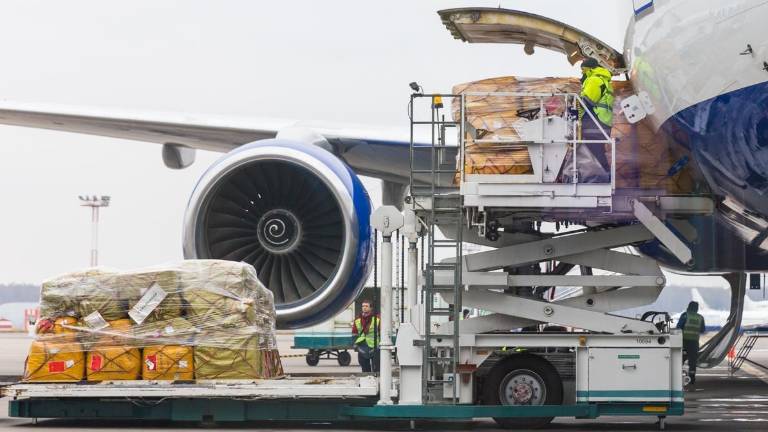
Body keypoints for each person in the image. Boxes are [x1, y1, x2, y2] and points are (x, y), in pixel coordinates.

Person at [578, 57, 614, 173]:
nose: (581, 73)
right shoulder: (604, 80)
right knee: (597, 151)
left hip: (594, 122)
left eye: (583, 70)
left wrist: (574, 106)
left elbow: (588, 101)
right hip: (602, 122)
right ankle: (604, 175)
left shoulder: (593, 80)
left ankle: (603, 176)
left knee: (594, 153)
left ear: (589, 69)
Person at [676, 301, 705, 385]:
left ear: (688, 307)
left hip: (684, 341)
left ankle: (676, 376)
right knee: (693, 361)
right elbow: (702, 330)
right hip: (694, 342)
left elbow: (678, 327)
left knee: (680, 359)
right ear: (697, 309)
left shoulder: (685, 315)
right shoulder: (700, 317)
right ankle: (692, 378)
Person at [352, 299, 380, 373]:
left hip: (375, 347)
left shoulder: (377, 319)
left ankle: (376, 379)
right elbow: (354, 334)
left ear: (371, 308)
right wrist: (355, 344)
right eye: (363, 306)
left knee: (377, 370)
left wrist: (379, 345)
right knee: (365, 370)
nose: (364, 308)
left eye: (366, 306)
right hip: (362, 347)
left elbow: (381, 333)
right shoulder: (357, 319)